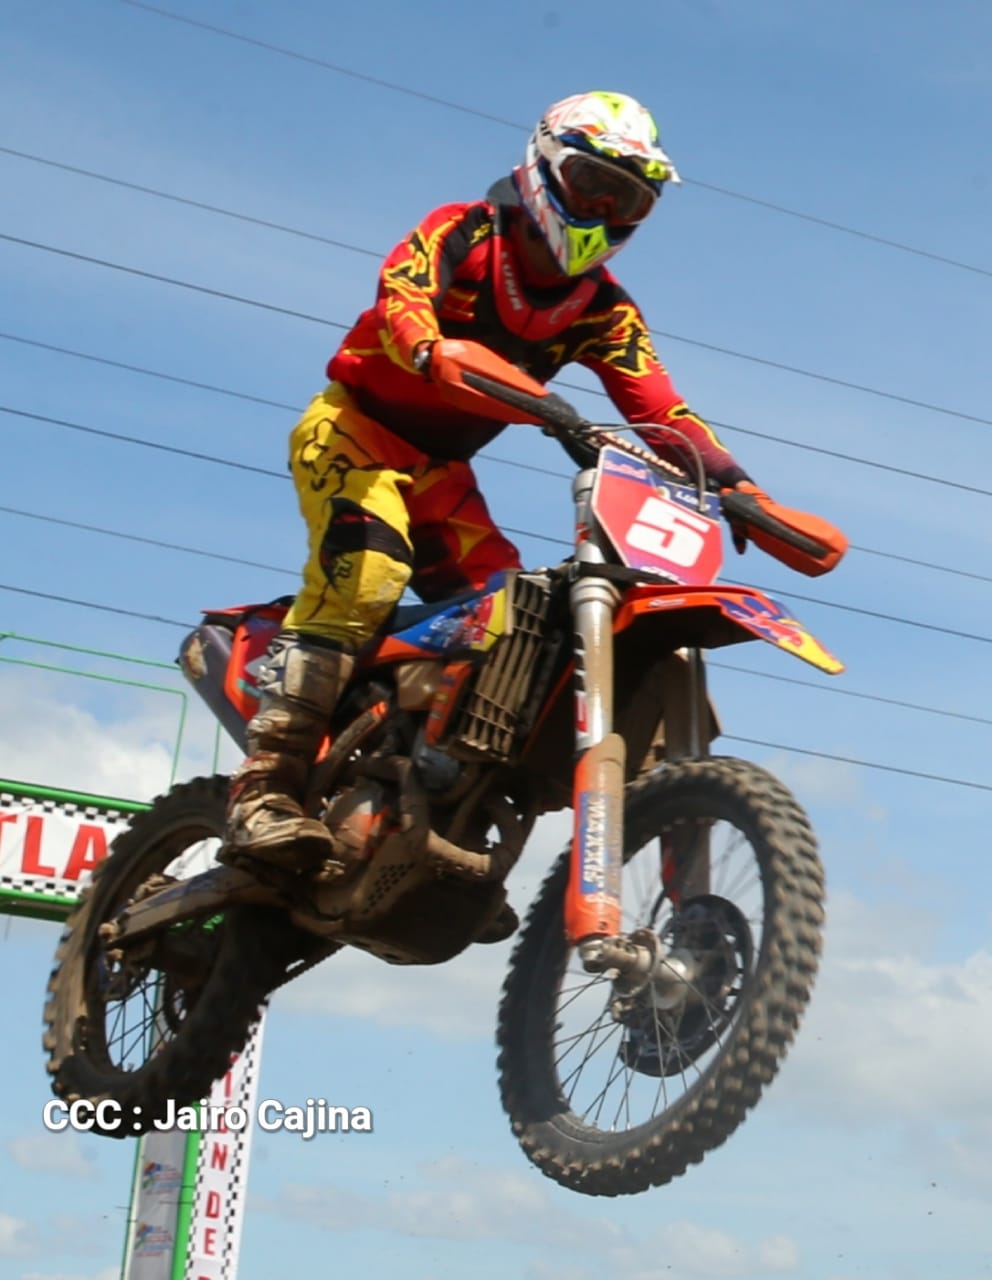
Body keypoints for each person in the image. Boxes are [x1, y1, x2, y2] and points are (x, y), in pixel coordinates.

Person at [223, 90, 761, 870]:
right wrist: (431, 348)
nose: (604, 211)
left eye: (628, 201)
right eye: (591, 185)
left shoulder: (604, 310)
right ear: (545, 165)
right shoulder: (463, 232)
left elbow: (661, 407)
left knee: (513, 626)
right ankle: (263, 793)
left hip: (441, 474)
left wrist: (739, 487)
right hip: (354, 431)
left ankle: (438, 809)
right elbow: (402, 301)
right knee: (368, 572)